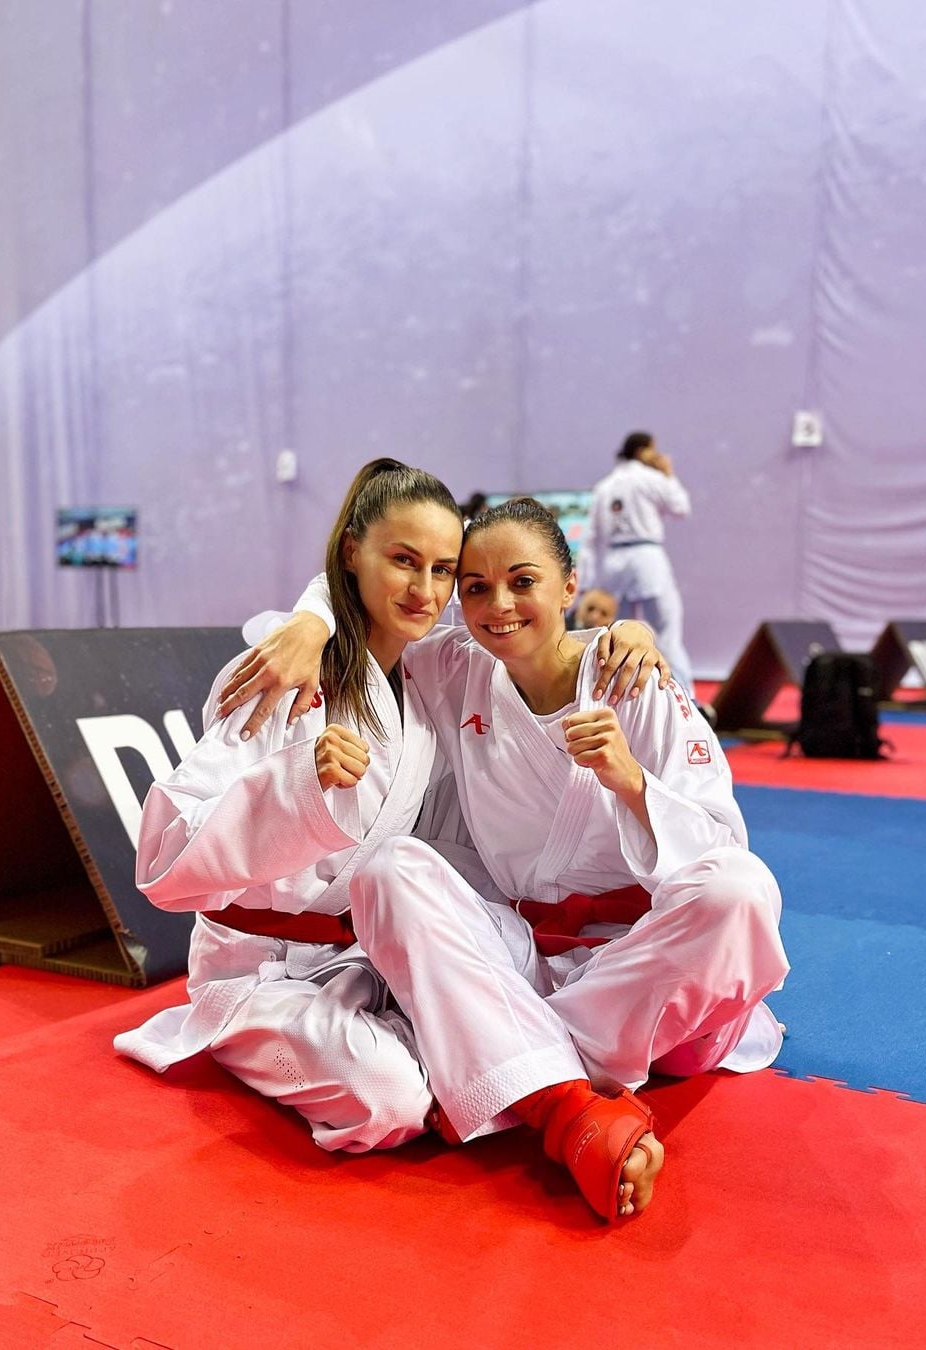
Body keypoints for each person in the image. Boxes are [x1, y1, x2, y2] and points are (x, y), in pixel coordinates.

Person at [218, 498, 789, 1223]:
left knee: (742, 889)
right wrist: (311, 621)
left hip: (643, 973)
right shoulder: (456, 665)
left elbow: (719, 846)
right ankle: (555, 1094)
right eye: (476, 588)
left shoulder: (634, 678)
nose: (500, 605)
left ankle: (507, 1064)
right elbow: (367, 598)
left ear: (569, 584)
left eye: (524, 581)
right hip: (525, 958)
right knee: (391, 869)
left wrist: (631, 783)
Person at [114, 462, 664, 1157]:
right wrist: (296, 786)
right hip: (262, 967)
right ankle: (501, 1086)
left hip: (368, 955)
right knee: (393, 1099)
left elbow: (538, 639)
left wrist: (632, 635)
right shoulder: (284, 675)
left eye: (443, 571)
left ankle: (514, 1084)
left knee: (548, 1004)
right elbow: (163, 862)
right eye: (404, 561)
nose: (425, 590)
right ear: (353, 552)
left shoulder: (430, 681)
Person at [578, 430, 694, 691]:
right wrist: (668, 473)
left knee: (616, 632)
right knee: (667, 631)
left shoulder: (604, 486)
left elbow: (591, 537)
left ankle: (617, 692)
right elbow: (681, 507)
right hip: (646, 559)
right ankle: (687, 697)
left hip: (613, 563)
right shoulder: (651, 478)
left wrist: (586, 581)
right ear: (643, 451)